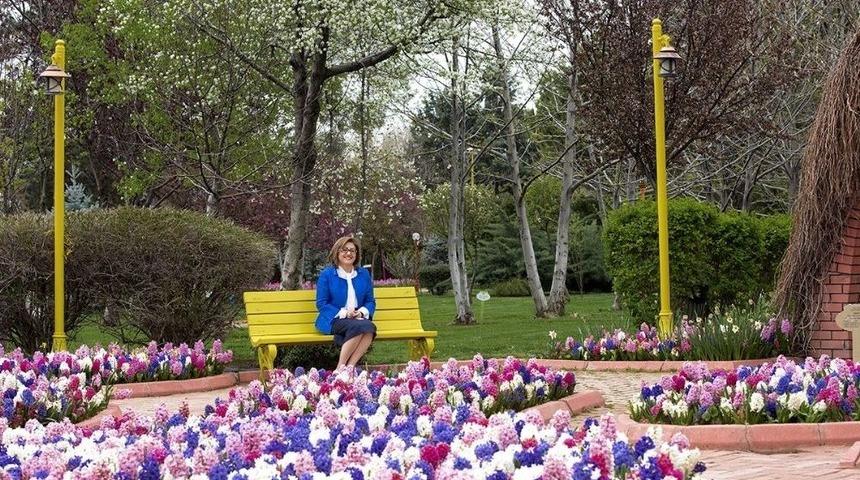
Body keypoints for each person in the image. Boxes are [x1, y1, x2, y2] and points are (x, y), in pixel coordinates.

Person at [315, 235, 376, 368]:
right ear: (337, 252)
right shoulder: (327, 275)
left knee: (370, 328)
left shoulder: (363, 274)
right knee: (360, 326)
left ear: (356, 254)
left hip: (357, 319)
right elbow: (321, 303)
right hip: (333, 319)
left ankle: (350, 367)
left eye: (352, 250)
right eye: (344, 250)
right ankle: (340, 367)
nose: (348, 253)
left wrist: (360, 313)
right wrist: (344, 313)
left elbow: (370, 301)